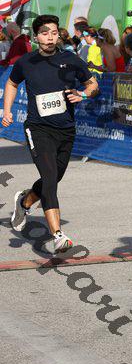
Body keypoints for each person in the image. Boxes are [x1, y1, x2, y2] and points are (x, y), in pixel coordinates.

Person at [1, 14, 99, 253]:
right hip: (38, 128)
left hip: (65, 129)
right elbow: (12, 83)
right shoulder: (26, 62)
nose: (50, 37)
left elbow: (93, 84)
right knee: (49, 177)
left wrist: (83, 94)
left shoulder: (70, 59)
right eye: (45, 33)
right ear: (36, 36)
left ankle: (24, 201)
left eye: (54, 33)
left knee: (54, 178)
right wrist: (7, 110)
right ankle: (58, 235)